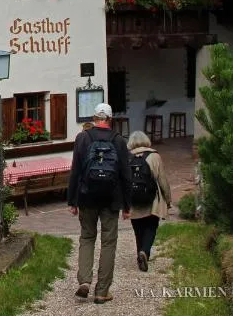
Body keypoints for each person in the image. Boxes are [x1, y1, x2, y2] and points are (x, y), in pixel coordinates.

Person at [68, 103, 132, 304]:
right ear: (110, 120)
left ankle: (85, 281)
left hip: (87, 196)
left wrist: (72, 200)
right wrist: (127, 206)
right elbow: (126, 176)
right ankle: (102, 291)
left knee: (87, 237)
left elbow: (75, 171)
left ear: (94, 118)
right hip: (111, 199)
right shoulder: (119, 141)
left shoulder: (82, 138)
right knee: (108, 242)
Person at [127, 130, 172, 272]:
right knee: (151, 226)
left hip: (133, 199)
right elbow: (162, 180)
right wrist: (168, 199)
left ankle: (140, 253)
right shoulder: (154, 156)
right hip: (152, 199)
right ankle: (145, 252)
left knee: (138, 229)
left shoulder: (127, 157)